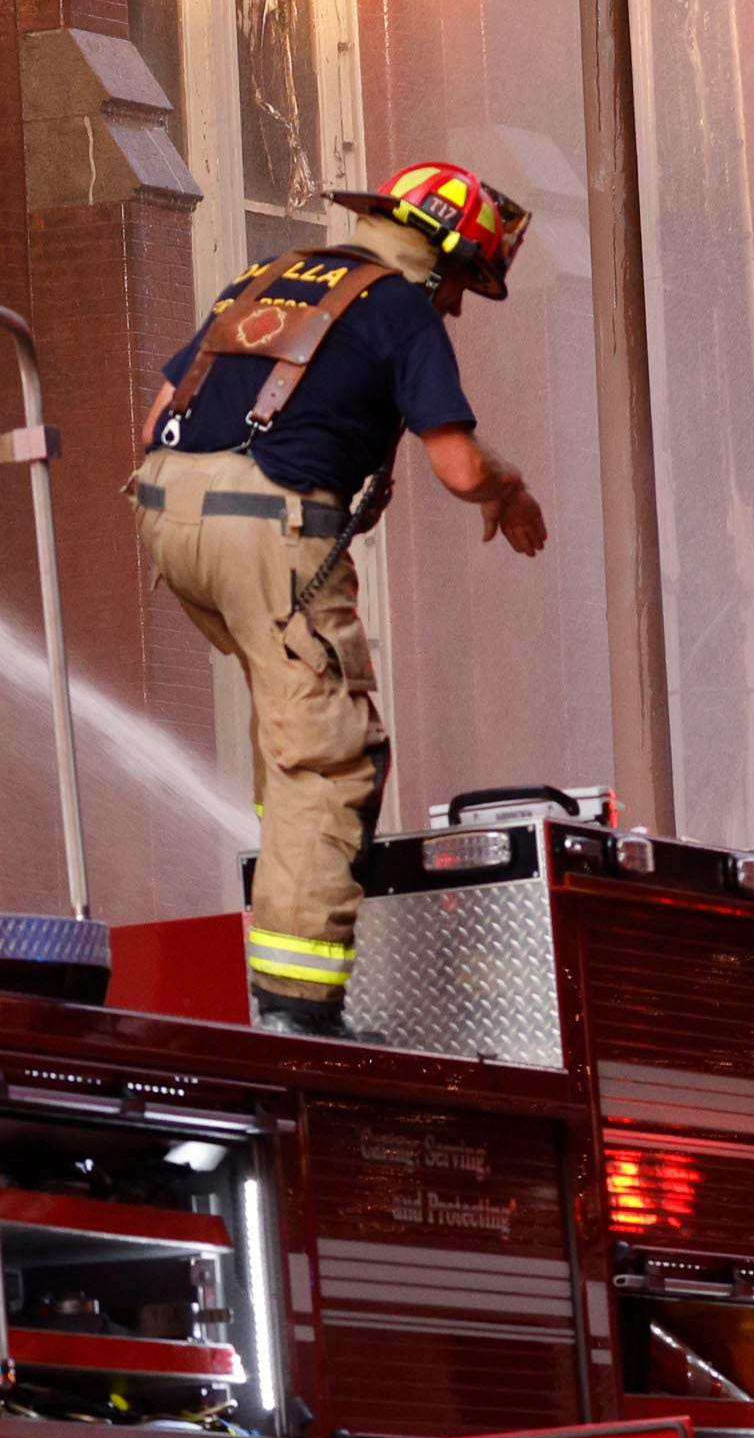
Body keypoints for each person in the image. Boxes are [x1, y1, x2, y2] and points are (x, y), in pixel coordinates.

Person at [131, 162, 544, 1038]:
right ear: (438, 257)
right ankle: (297, 1012)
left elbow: (156, 414)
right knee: (333, 760)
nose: (460, 307)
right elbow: (460, 465)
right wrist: (510, 491)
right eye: (466, 281)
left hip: (167, 518)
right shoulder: (400, 306)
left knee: (289, 728)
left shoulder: (268, 275)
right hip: (269, 530)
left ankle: (285, 908)